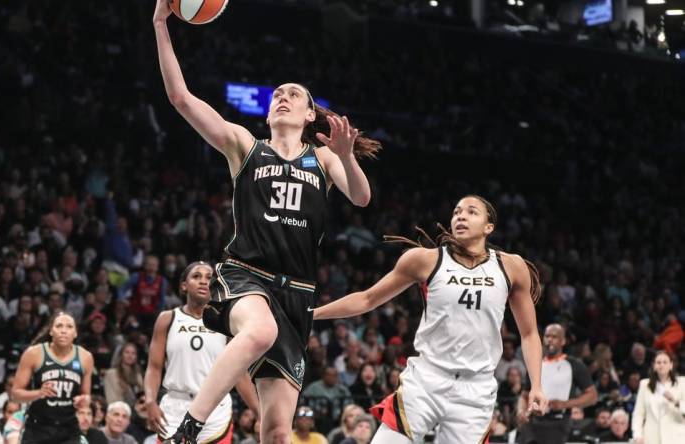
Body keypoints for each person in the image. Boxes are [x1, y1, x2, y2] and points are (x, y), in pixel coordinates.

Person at [152, 0, 379, 441]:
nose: (282, 96)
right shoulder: (245, 146)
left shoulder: (325, 158)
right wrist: (162, 23)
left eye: (293, 93)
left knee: (276, 431)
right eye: (278, 93)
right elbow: (180, 98)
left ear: (310, 114)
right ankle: (188, 429)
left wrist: (349, 159)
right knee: (258, 331)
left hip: (298, 294)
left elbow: (362, 197)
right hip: (245, 276)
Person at [314, 195, 548, 443]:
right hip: (426, 379)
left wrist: (536, 386)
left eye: (471, 212)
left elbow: (529, 334)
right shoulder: (426, 259)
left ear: (489, 227)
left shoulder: (511, 266)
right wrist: (313, 314)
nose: (461, 216)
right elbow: (367, 299)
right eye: (457, 212)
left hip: (476, 390)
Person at [145, 262, 259, 443]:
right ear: (184, 285)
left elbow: (239, 373)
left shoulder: (227, 321)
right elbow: (154, 366)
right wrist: (150, 401)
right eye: (196, 276)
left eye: (209, 277)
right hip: (175, 405)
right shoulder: (167, 319)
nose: (204, 281)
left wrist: (259, 412)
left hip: (215, 409)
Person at [11, 311, 94, 444]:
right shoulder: (34, 353)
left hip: (68, 429)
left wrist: (83, 401)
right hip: (38, 428)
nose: (64, 331)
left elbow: (86, 396)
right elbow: (15, 395)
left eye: (69, 327)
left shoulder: (85, 357)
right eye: (59, 326)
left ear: (75, 333)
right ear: (51, 331)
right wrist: (38, 393)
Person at [517, 323, 597, 444]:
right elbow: (524, 395)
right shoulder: (535, 364)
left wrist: (565, 404)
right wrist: (521, 411)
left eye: (554, 337)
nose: (550, 340)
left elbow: (592, 396)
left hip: (559, 422)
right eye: (547, 336)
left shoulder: (574, 365)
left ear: (563, 341)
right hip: (534, 422)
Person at [631, 350, 685, 444]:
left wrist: (674, 400)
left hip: (676, 438)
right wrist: (637, 435)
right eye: (658, 362)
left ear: (671, 365)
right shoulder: (645, 385)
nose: (661, 365)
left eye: (665, 362)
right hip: (651, 439)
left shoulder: (682, 383)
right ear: (654, 366)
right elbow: (638, 414)